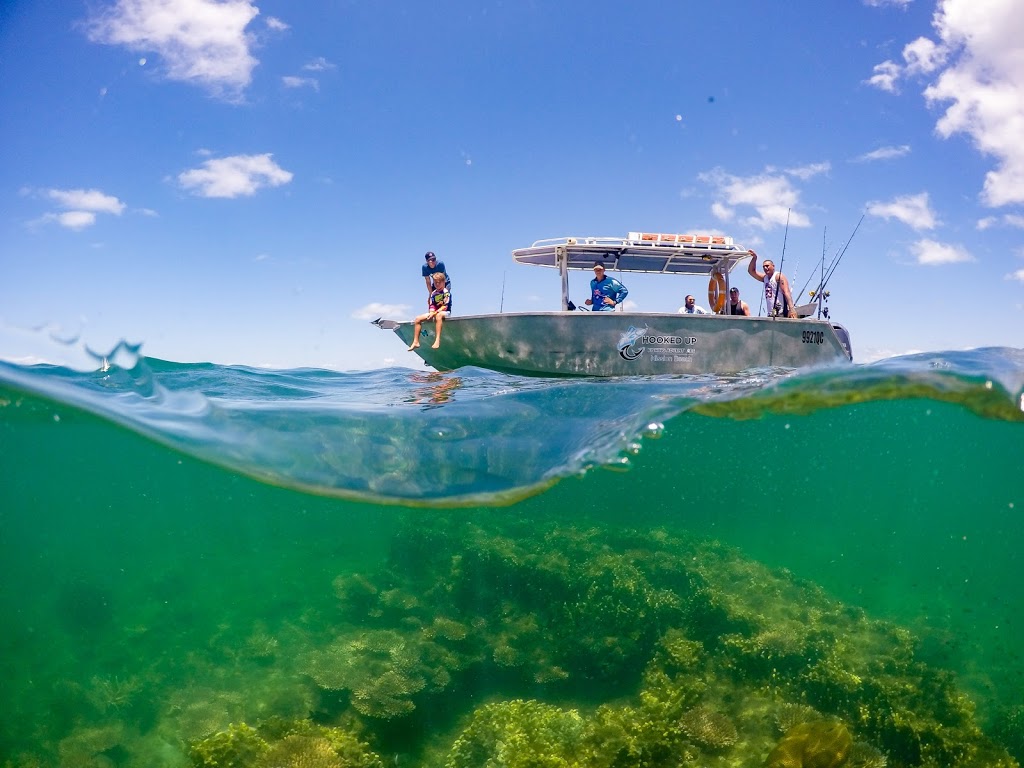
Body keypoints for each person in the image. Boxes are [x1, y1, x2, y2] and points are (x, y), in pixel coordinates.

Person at [408, 271, 451, 350]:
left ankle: (437, 340)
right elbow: (432, 305)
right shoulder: (433, 293)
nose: (437, 284)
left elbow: (445, 306)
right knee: (418, 319)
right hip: (434, 312)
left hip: (445, 312)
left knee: (438, 315)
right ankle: (416, 341)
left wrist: (434, 313)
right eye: (435, 283)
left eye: (439, 282)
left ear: (443, 282)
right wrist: (431, 313)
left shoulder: (446, 292)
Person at [747, 251, 796, 318]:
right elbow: (751, 271)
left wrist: (791, 308)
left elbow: (787, 292)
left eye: (767, 266)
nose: (765, 268)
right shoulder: (765, 278)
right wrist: (754, 258)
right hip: (771, 314)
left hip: (781, 312)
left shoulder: (778, 276)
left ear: (773, 266)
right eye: (763, 267)